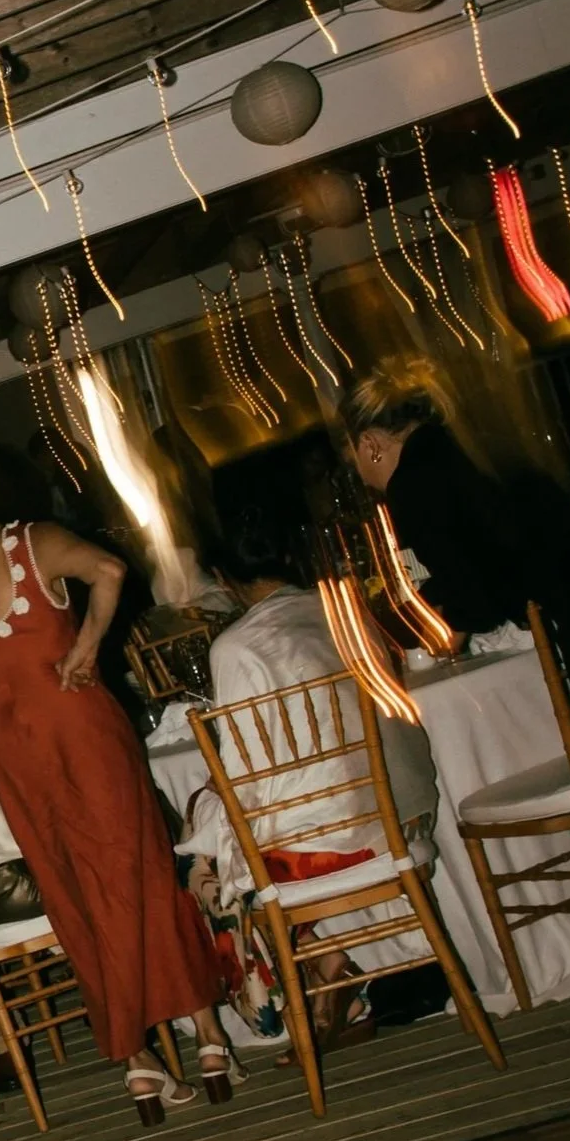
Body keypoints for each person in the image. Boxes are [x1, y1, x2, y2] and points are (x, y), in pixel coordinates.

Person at [0, 447, 230, 1121]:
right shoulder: (30, 542)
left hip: (11, 750)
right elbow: (110, 570)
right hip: (79, 724)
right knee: (142, 868)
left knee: (71, 890)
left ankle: (138, 1061)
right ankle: (208, 1041)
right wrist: (85, 647)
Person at [190, 443, 443, 1043]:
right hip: (406, 809)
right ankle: (338, 972)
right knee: (226, 827)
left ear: (223, 579)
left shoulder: (235, 648)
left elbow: (249, 780)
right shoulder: (342, 606)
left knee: (202, 854)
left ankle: (294, 1002)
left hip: (337, 841)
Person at [337, 359, 570, 710]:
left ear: (369, 444)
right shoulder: (465, 445)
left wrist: (445, 636)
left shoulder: (411, 483)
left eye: (355, 465)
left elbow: (472, 589)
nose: (364, 480)